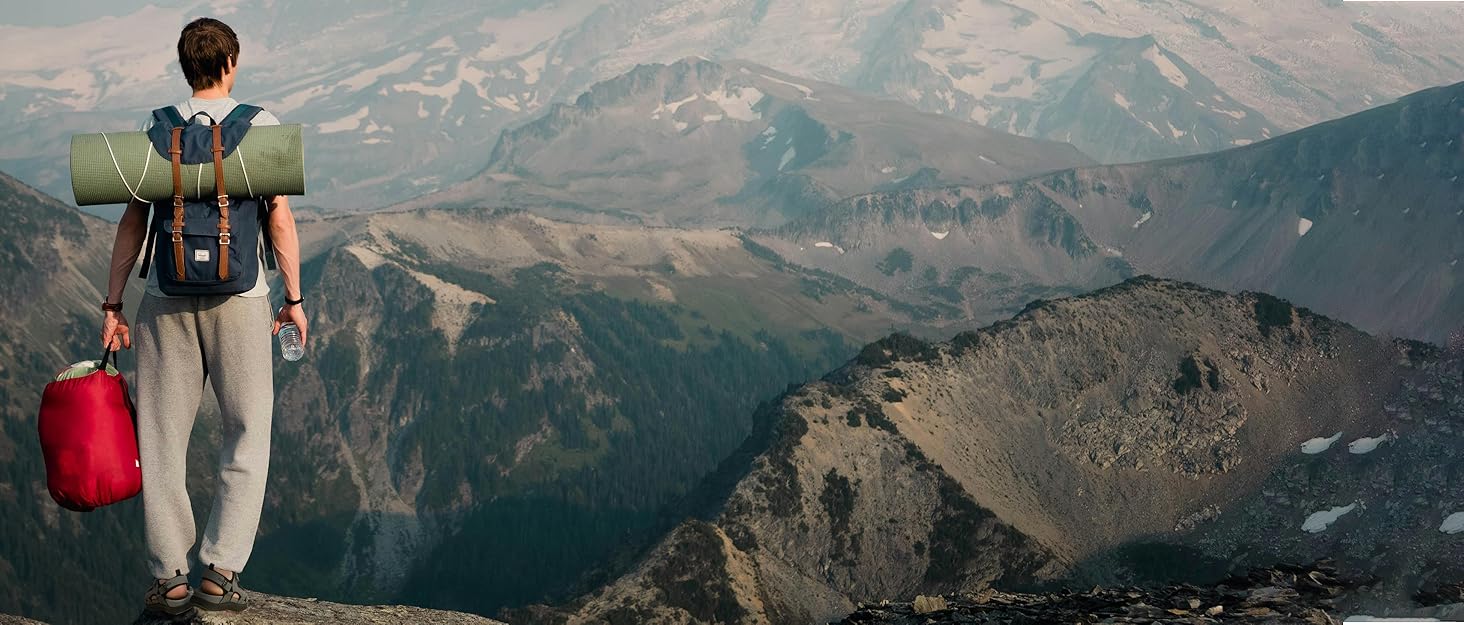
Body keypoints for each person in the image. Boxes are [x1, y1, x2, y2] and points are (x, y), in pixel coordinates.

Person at [99, 16, 308, 615]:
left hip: (164, 302)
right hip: (240, 302)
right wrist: (292, 300)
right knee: (247, 430)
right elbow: (279, 220)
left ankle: (169, 580)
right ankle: (220, 571)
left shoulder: (157, 127)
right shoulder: (260, 126)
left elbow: (134, 223)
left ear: (185, 66)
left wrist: (113, 305)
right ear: (231, 63)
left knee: (161, 440)